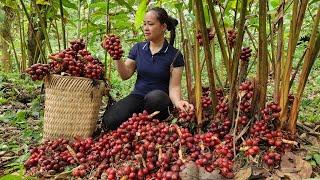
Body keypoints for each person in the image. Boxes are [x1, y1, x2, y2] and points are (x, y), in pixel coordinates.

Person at [102, 7, 194, 130]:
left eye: (150, 24)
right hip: (138, 96)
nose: (146, 28)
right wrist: (115, 56)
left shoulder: (175, 55)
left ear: (163, 27)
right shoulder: (138, 48)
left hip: (159, 102)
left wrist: (178, 102)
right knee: (110, 120)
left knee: (156, 97)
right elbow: (125, 75)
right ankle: (140, 122)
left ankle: (144, 123)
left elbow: (174, 86)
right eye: (144, 24)